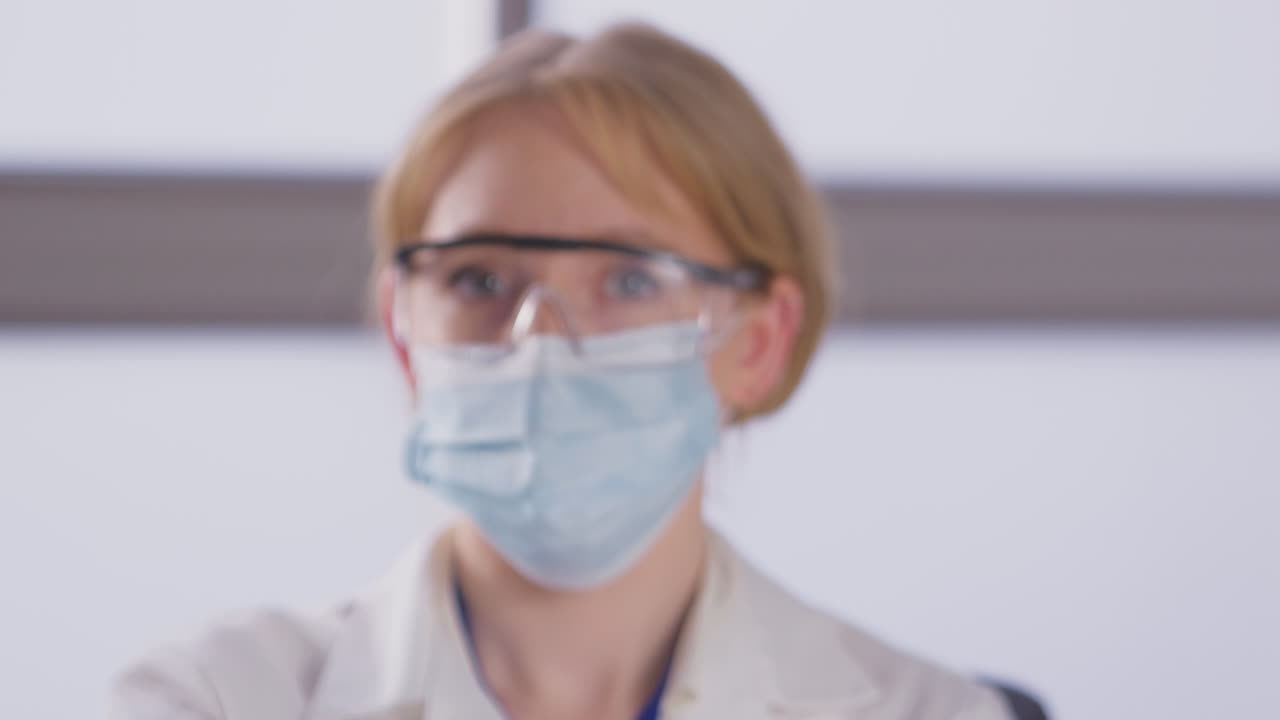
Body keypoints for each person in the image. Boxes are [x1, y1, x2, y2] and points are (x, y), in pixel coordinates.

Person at [109, 22, 1013, 720]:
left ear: (758, 340)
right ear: (401, 330)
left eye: (628, 278)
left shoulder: (927, 713)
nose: (536, 339)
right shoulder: (215, 699)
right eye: (479, 279)